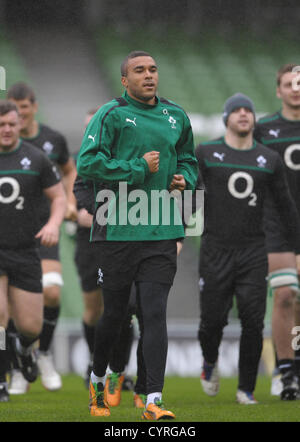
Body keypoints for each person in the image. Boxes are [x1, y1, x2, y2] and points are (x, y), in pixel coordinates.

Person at [76, 50, 198, 419]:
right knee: (114, 315)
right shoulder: (110, 114)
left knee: (155, 313)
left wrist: (184, 179)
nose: (149, 75)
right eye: (139, 71)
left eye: (153, 69)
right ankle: (100, 379)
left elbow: (189, 159)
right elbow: (87, 162)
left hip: (162, 227)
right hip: (118, 228)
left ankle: (153, 401)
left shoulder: (176, 115)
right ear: (124, 80)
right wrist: (137, 167)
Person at [195, 93, 300, 404]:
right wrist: (176, 234)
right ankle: (209, 362)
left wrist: (295, 247)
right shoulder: (207, 152)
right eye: (236, 110)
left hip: (255, 250)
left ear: (254, 119)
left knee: (253, 320)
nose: (243, 114)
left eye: (248, 111)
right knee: (212, 321)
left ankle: (246, 389)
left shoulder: (269, 159)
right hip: (215, 249)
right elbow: (190, 197)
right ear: (227, 117)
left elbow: (286, 208)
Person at [6, 82, 77, 394]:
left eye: (16, 118)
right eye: (5, 121)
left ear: (32, 109)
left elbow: (65, 181)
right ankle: (9, 375)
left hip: (35, 239)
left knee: (41, 308)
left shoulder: (43, 149)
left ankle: (36, 352)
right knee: (1, 312)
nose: (12, 124)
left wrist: (61, 215)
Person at [73, 108, 145, 408]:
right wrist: (96, 213)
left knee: (131, 308)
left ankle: (123, 373)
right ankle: (99, 366)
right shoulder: (87, 158)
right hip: (94, 243)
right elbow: (78, 190)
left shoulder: (130, 152)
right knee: (99, 310)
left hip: (134, 240)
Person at [254, 63, 300, 399]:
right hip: (277, 225)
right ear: (278, 90)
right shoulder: (263, 129)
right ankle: (286, 373)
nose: (296, 89)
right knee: (285, 295)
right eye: (289, 84)